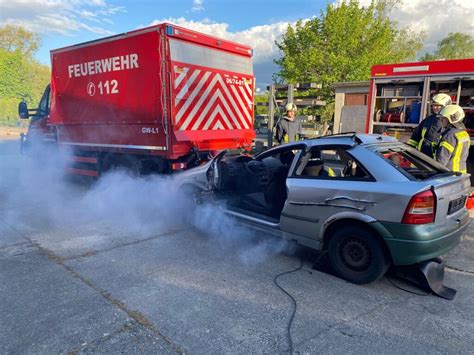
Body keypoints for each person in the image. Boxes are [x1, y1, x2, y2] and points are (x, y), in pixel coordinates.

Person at [407, 93, 452, 159]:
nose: (435, 108)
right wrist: (409, 150)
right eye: (434, 105)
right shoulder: (428, 119)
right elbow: (416, 136)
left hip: (435, 159)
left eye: (438, 105)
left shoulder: (449, 122)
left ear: (446, 106)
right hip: (421, 155)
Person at [436, 104, 470, 173]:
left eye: (444, 118)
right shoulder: (464, 133)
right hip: (461, 174)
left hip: (449, 175)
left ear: (452, 118)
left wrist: (435, 173)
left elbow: (442, 159)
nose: (441, 120)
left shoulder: (450, 135)